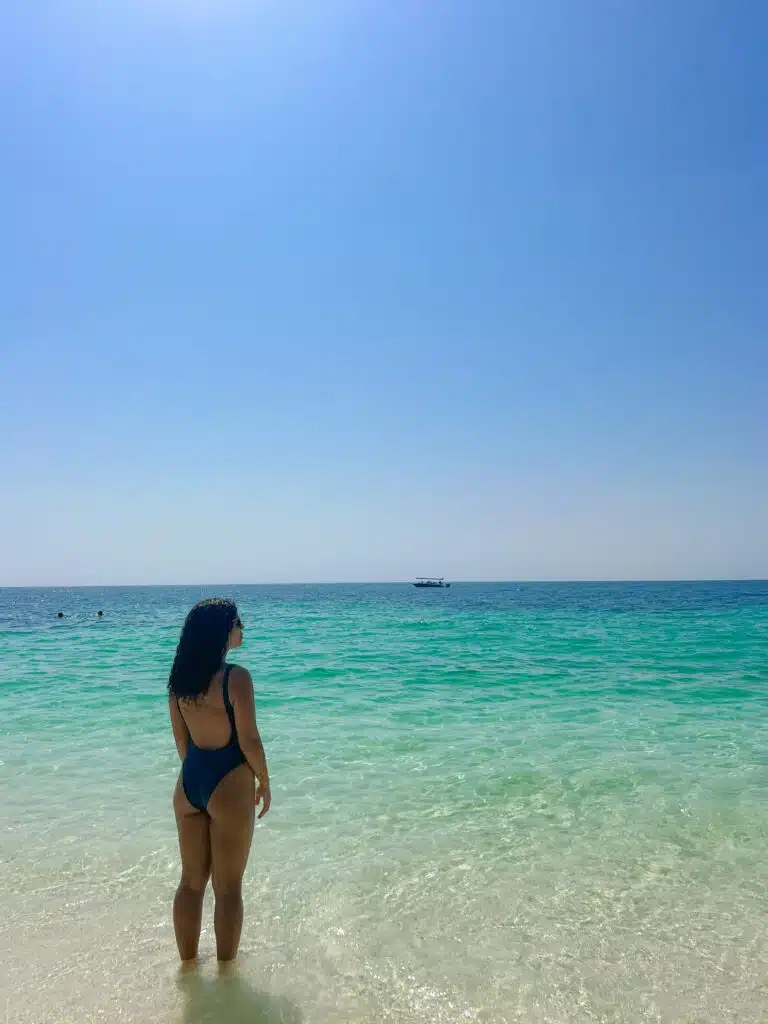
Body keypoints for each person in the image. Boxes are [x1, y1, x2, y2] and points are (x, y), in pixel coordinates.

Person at [168, 598, 271, 965]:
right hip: (229, 781)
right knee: (228, 890)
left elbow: (182, 744)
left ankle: (188, 971)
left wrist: (200, 777)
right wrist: (264, 779)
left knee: (190, 884)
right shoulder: (235, 678)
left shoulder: (179, 681)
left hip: (189, 783)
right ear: (224, 632)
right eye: (237, 621)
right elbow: (249, 740)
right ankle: (227, 982)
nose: (242, 627)